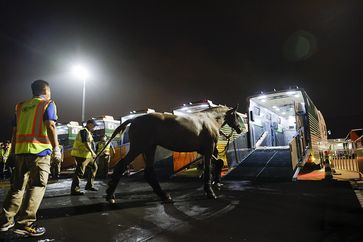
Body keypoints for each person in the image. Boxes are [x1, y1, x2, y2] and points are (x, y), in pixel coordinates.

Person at [0, 80, 61, 236]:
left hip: (20, 153)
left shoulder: (20, 107)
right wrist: (56, 149)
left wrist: (12, 152)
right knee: (37, 186)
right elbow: (50, 125)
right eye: (49, 90)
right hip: (39, 153)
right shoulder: (47, 104)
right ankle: (25, 223)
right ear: (44, 90)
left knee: (17, 187)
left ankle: (5, 220)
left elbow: (14, 132)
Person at [70, 119, 98, 195]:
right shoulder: (84, 131)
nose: (94, 127)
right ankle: (75, 190)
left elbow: (90, 143)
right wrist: (92, 152)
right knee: (80, 172)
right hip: (81, 155)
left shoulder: (88, 132)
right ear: (89, 124)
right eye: (94, 126)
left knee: (94, 167)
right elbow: (85, 142)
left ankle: (89, 185)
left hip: (88, 156)